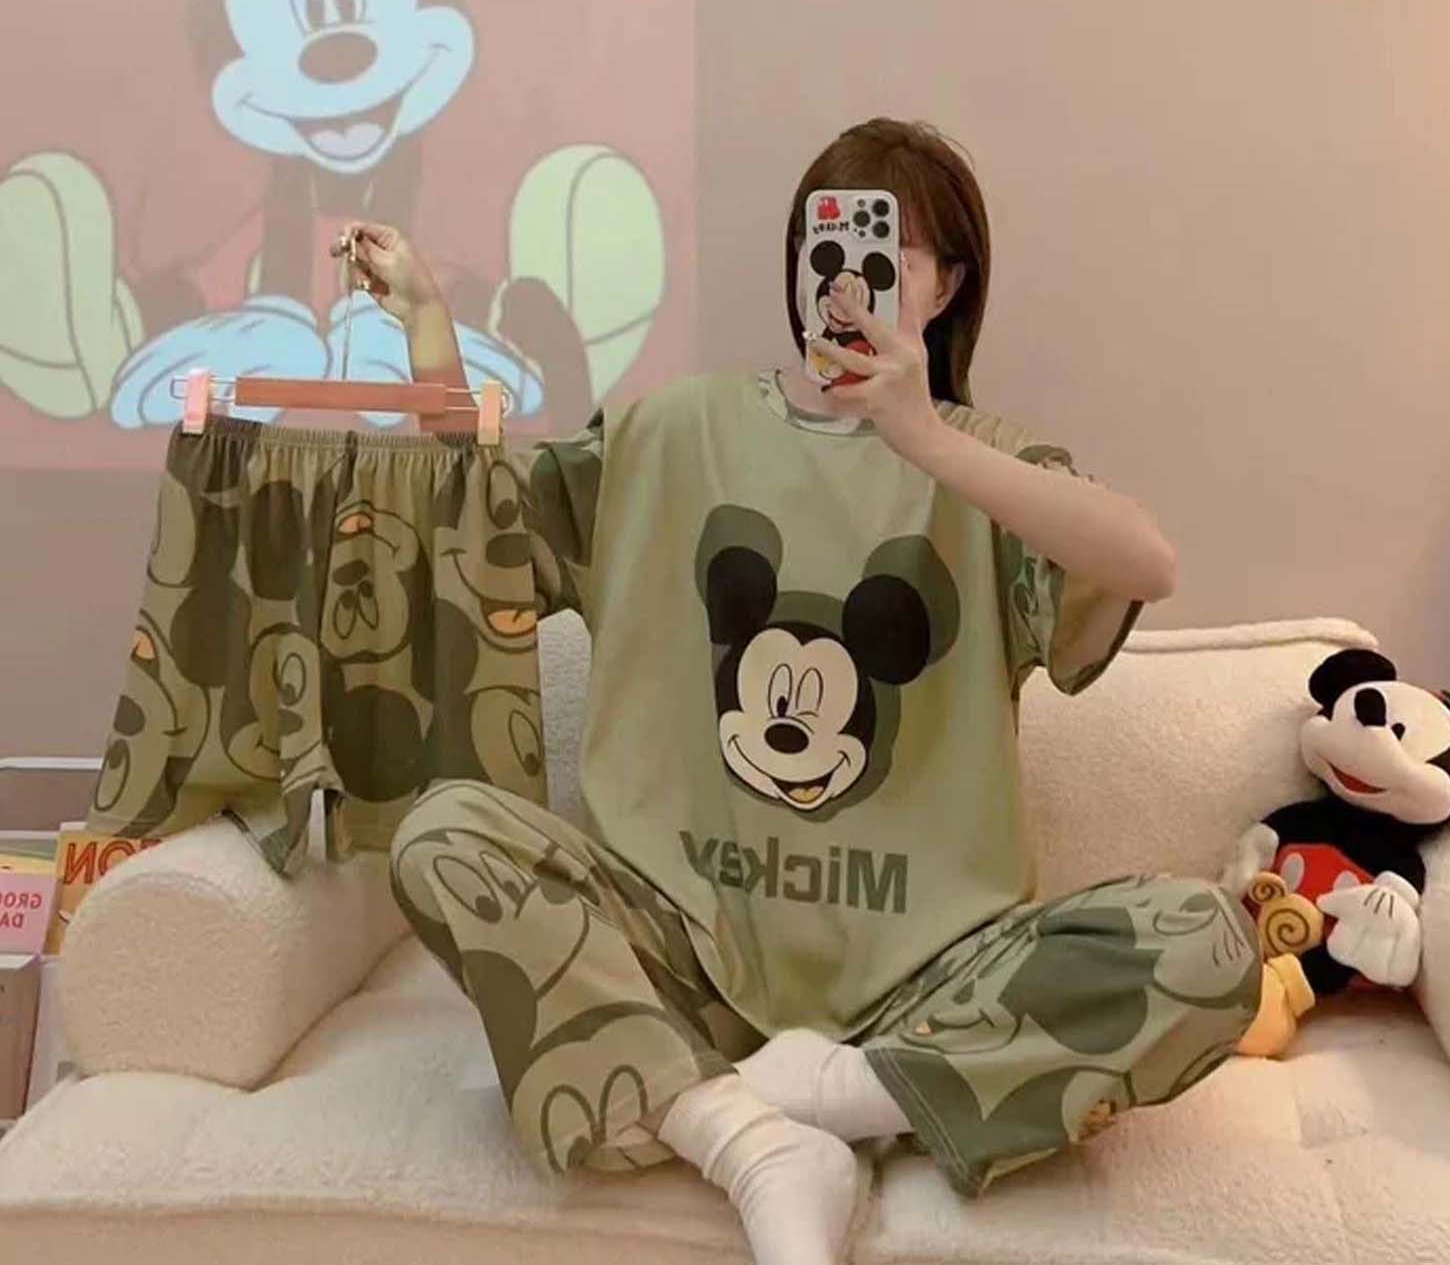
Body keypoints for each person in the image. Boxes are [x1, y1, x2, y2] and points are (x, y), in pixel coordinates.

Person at [346, 118, 1261, 1265]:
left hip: (927, 981)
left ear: (945, 285)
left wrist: (923, 438)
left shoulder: (989, 469)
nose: (845, 280)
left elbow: (1147, 562)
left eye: (886, 253)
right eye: (822, 248)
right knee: (443, 833)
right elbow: (482, 521)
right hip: (678, 955)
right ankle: (752, 1142)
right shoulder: (673, 431)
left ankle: (818, 1093)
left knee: (1207, 944)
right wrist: (430, 333)